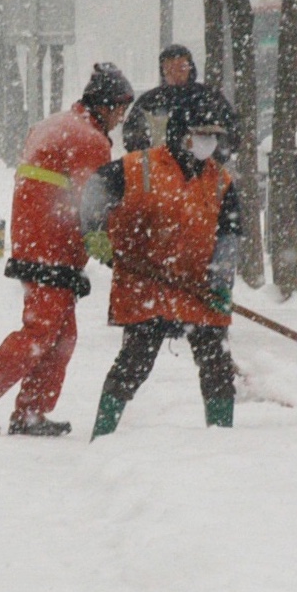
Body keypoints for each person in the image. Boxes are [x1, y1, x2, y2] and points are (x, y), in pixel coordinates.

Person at [0, 63, 134, 437]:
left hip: (35, 240)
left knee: (62, 336)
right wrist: (114, 249)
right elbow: (93, 204)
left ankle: (32, 412)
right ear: (104, 103)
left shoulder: (54, 125)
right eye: (119, 109)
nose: (121, 118)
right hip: (54, 248)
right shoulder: (89, 139)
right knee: (40, 333)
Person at [82, 92, 242, 439]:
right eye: (201, 134)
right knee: (133, 365)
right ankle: (103, 435)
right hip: (145, 283)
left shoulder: (220, 181)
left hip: (198, 288)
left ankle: (224, 443)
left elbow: (230, 234)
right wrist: (96, 234)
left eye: (213, 136)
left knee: (217, 367)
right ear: (180, 133)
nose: (207, 142)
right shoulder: (139, 166)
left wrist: (221, 281)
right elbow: (94, 191)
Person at [123, 43, 239, 164]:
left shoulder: (209, 98)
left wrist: (209, 148)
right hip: (161, 174)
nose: (176, 74)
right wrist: (152, 157)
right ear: (162, 71)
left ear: (190, 68)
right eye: (169, 69)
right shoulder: (149, 102)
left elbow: (232, 132)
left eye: (181, 68)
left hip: (205, 175)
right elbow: (132, 136)